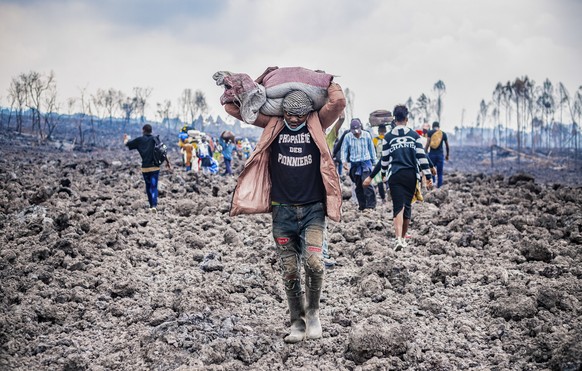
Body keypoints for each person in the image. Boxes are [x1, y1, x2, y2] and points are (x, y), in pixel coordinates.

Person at [223, 81, 346, 344]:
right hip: (282, 212)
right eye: (288, 113)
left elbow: (338, 102)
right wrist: (238, 87)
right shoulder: (274, 124)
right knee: (289, 269)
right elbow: (236, 109)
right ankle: (296, 322)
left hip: (313, 209)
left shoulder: (316, 123)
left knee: (314, 263)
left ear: (308, 113)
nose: (293, 119)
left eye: (299, 114)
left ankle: (313, 313)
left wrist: (327, 81)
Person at [364, 105, 432, 250]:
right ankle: (403, 238)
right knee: (407, 207)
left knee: (398, 207)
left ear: (394, 119)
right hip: (411, 176)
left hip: (395, 175)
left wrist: (383, 175)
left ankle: (399, 239)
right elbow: (421, 156)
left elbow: (385, 159)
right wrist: (428, 176)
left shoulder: (388, 137)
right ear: (407, 119)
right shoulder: (414, 136)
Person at [124, 124, 172, 212]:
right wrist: (167, 162)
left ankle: (151, 205)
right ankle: (154, 205)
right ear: (151, 131)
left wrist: (126, 139)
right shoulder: (155, 139)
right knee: (154, 186)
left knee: (148, 186)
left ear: (143, 130)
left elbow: (127, 144)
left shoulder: (139, 140)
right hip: (155, 168)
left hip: (145, 168)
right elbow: (163, 150)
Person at [341, 118, 377, 211]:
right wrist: (344, 161)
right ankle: (362, 206)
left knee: (366, 183)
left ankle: (371, 205)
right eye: (354, 132)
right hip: (355, 164)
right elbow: (344, 150)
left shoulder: (366, 135)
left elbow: (371, 149)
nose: (356, 133)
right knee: (358, 186)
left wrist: (374, 162)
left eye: (358, 131)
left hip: (366, 162)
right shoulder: (348, 137)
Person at [424, 121, 450, 188]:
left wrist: (424, 153)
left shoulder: (430, 132)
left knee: (432, 171)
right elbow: (447, 145)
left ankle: (432, 185)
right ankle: (439, 187)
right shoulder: (443, 133)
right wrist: (447, 155)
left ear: (432, 126)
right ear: (438, 127)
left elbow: (428, 143)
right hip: (440, 155)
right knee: (440, 173)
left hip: (431, 155)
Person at [372, 123, 390, 204]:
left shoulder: (375, 140)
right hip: (387, 161)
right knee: (387, 179)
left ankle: (383, 198)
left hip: (379, 162)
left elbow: (373, 151)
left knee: (379, 181)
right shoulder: (388, 138)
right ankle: (388, 194)